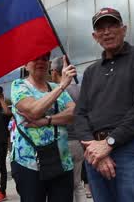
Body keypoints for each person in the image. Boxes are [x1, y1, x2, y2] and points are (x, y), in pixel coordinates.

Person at [74, 7, 134, 202]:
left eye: (112, 25)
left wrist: (109, 143)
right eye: (101, 28)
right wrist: (95, 147)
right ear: (95, 36)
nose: (107, 31)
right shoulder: (90, 72)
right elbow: (80, 114)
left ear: (124, 29)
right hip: (94, 153)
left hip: (130, 149)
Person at [10, 53, 77, 202]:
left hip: (62, 161)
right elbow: (33, 110)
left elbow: (74, 113)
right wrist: (61, 86)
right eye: (35, 58)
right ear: (26, 65)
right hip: (29, 163)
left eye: (45, 58)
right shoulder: (18, 86)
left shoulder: (54, 87)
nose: (40, 62)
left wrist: (46, 120)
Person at [50, 56, 86, 202]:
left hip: (64, 143)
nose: (50, 73)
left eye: (50, 70)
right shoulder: (80, 89)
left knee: (63, 186)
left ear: (55, 71)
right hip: (79, 142)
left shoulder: (58, 92)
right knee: (78, 184)